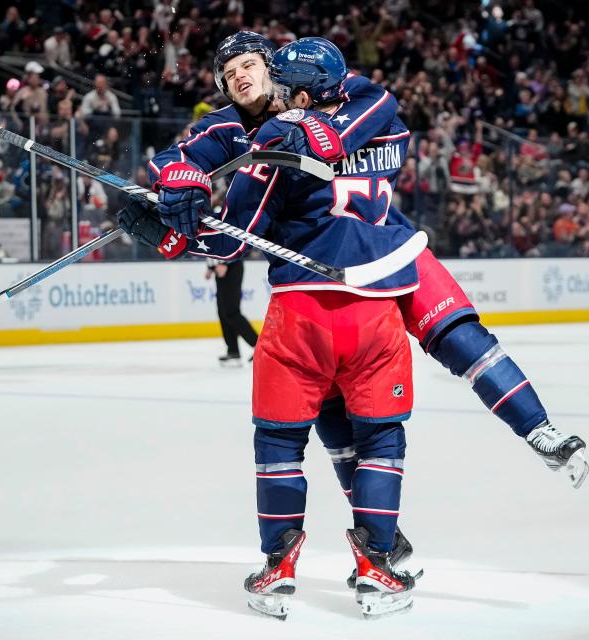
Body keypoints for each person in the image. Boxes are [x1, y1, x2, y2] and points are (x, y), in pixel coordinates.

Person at [125, 36, 424, 619]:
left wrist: (183, 234)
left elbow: (233, 237)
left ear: (275, 70)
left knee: (290, 438)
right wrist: (178, 189)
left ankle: (297, 560)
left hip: (304, 307)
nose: (240, 77)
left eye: (249, 66)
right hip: (365, 303)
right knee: (371, 437)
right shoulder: (242, 125)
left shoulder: (302, 126)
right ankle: (375, 556)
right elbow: (174, 159)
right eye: (228, 71)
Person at [205, 258, 258, 366]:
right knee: (223, 312)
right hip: (219, 267)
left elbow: (233, 242)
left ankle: (259, 346)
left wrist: (225, 263)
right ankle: (233, 351)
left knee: (232, 311)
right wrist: (210, 267)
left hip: (232, 265)